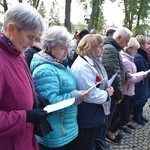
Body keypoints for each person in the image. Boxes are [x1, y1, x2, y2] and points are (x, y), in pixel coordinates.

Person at [0, 3, 51, 150]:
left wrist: (35, 97)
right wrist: (25, 117)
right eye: (29, 36)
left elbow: (16, 87)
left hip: (23, 139)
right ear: (11, 29)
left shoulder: (17, 52)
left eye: (35, 38)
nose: (32, 43)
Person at [30, 26, 88, 150]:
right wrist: (75, 96)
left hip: (64, 128)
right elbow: (49, 103)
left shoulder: (57, 64)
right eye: (63, 48)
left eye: (67, 47)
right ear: (50, 47)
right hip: (55, 133)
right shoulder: (45, 70)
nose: (67, 52)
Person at [71, 34, 114, 150]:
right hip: (87, 113)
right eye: (100, 46)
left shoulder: (93, 62)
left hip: (93, 112)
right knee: (84, 143)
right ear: (90, 47)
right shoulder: (83, 66)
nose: (103, 49)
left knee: (89, 141)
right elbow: (89, 94)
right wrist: (107, 94)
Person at [102, 27, 132, 144]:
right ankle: (102, 139)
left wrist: (126, 74)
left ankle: (102, 138)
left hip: (112, 92)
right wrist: (119, 95)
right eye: (125, 41)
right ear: (119, 37)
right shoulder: (111, 49)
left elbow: (119, 69)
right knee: (105, 120)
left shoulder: (114, 48)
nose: (125, 46)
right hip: (111, 92)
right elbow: (112, 72)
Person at [119, 37, 146, 134]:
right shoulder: (126, 60)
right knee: (124, 113)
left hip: (129, 90)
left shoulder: (130, 58)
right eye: (135, 49)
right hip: (126, 90)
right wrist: (143, 76)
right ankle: (117, 128)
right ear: (129, 48)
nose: (136, 51)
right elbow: (129, 80)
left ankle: (124, 124)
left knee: (127, 111)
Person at [133, 35, 149, 125]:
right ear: (141, 44)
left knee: (143, 99)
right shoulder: (139, 56)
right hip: (141, 82)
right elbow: (143, 71)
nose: (147, 45)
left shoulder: (142, 54)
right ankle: (137, 116)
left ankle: (139, 114)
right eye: (145, 43)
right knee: (141, 99)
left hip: (143, 82)